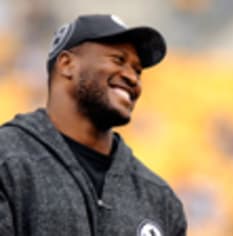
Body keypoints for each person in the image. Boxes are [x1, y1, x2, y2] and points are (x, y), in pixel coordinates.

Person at [0, 14, 186, 236]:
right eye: (118, 60)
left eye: (137, 70)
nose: (132, 78)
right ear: (67, 64)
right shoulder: (9, 160)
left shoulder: (159, 198)